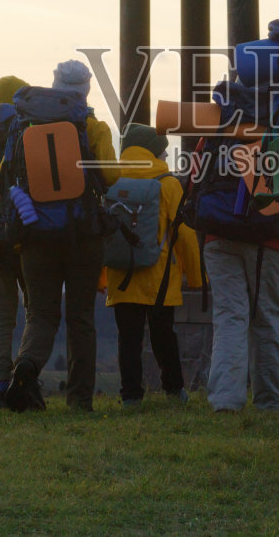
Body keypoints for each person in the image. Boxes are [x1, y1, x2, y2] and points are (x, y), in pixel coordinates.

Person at [9, 59, 120, 412]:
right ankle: (79, 401)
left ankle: (26, 367)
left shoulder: (23, 125)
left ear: (54, 86)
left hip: (35, 233)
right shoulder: (94, 127)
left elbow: (5, 176)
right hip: (83, 236)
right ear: (86, 90)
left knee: (41, 314)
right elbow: (111, 177)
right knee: (81, 319)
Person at [101, 124, 201, 408]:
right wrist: (197, 277)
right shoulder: (168, 183)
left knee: (128, 338)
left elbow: (104, 232)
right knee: (163, 336)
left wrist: (101, 278)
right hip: (160, 276)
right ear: (155, 151)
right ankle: (175, 391)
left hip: (122, 274)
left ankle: (130, 396)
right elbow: (185, 233)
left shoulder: (111, 180)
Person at [0, 74, 30, 409]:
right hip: (28, 237)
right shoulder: (31, 131)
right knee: (37, 310)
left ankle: (1, 384)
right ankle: (26, 381)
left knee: (0, 314)